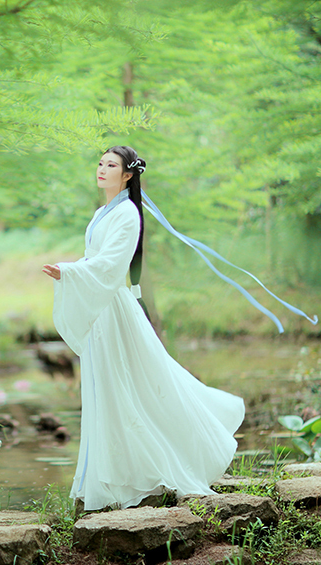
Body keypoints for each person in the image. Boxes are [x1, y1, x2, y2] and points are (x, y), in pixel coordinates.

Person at [42, 146, 246, 511]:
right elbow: (97, 261)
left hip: (115, 311)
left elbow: (110, 264)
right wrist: (73, 269)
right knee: (108, 388)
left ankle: (149, 470)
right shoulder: (102, 212)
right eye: (100, 163)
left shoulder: (127, 214)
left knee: (133, 383)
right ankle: (113, 477)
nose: (102, 169)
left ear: (128, 175)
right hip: (102, 312)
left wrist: (70, 271)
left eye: (111, 165)